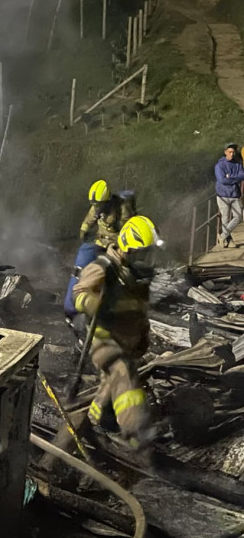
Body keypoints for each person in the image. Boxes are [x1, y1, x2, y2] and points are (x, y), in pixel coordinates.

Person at [71, 215, 161, 451]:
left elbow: (139, 312)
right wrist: (92, 301)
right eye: (142, 254)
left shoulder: (136, 278)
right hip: (102, 338)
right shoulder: (104, 268)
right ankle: (136, 436)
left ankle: (90, 422)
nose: (146, 260)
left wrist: (143, 337)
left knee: (111, 384)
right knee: (123, 373)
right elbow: (78, 295)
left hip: (125, 341)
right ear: (128, 249)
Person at [63, 180, 136, 320]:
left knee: (113, 274)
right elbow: (89, 219)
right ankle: (71, 307)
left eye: (99, 205)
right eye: (95, 205)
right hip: (98, 241)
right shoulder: (97, 207)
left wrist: (119, 246)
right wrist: (84, 229)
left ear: (107, 201)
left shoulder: (122, 209)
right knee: (81, 263)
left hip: (114, 245)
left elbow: (128, 230)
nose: (97, 208)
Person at [215, 142, 244, 248]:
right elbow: (222, 180)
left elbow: (242, 175)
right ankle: (229, 240)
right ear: (225, 152)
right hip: (223, 195)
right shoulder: (219, 165)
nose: (232, 154)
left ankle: (222, 236)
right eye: (230, 152)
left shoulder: (238, 164)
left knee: (238, 216)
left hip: (235, 194)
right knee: (225, 219)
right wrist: (235, 178)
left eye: (233, 152)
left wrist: (230, 176)